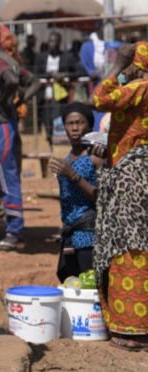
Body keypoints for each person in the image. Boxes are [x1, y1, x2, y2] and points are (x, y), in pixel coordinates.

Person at [93, 42, 148, 351]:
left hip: (132, 178)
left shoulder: (141, 87)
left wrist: (115, 66)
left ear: (136, 64)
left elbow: (99, 99)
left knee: (130, 248)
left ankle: (132, 331)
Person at [0, 20, 41, 252]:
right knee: (7, 176)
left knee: (5, 178)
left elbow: (12, 81)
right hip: (6, 124)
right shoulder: (10, 60)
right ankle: (12, 229)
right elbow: (34, 82)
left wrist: (4, 102)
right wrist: (19, 100)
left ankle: (14, 233)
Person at [48, 103, 101, 281]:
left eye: (80, 122)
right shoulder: (67, 159)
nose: (75, 128)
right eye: (70, 124)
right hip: (69, 235)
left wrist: (72, 175)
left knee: (90, 288)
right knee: (71, 285)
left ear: (90, 126)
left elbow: (102, 197)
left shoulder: (96, 156)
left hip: (89, 236)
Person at [34, 32, 83, 146]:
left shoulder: (67, 57)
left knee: (58, 120)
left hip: (61, 96)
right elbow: (35, 74)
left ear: (59, 42)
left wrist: (64, 75)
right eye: (51, 41)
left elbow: (78, 72)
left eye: (55, 41)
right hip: (45, 96)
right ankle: (48, 142)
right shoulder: (41, 57)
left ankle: (60, 144)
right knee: (46, 121)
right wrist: (50, 75)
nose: (53, 44)